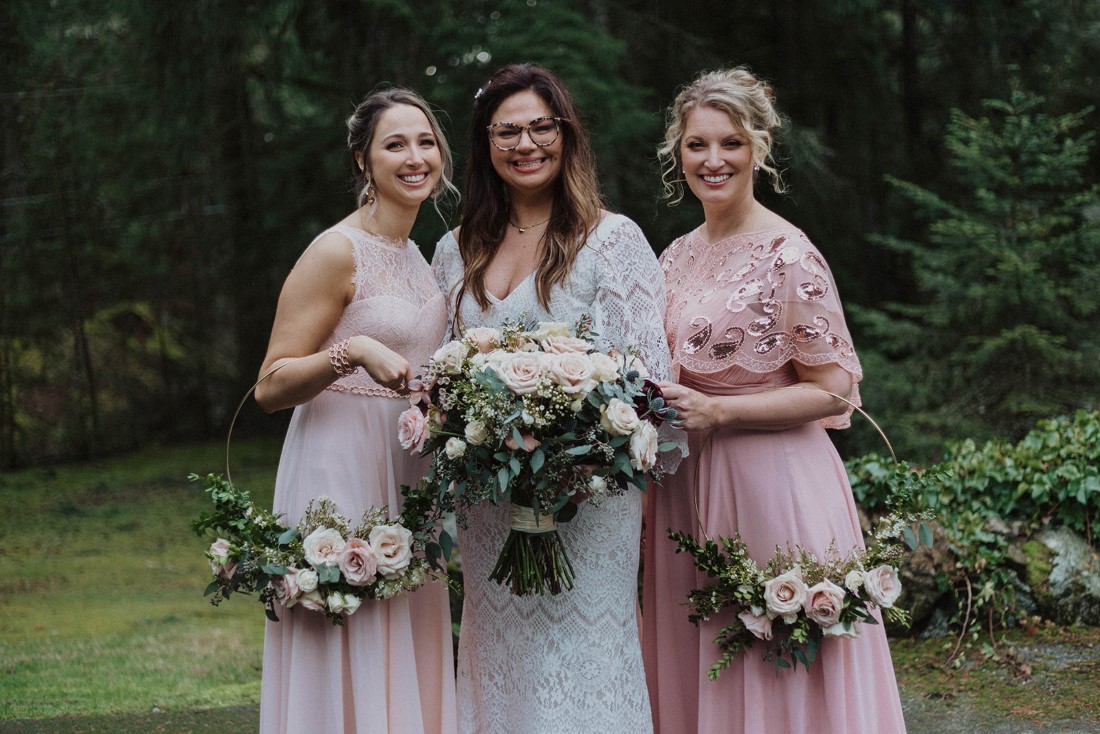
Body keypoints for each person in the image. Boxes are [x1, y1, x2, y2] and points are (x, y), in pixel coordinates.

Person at [641, 67, 908, 734]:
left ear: (758, 147)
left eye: (730, 143)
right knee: (699, 657)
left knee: (771, 659)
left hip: (768, 485)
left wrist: (721, 411)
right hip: (681, 485)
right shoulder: (674, 256)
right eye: (697, 144)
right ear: (678, 152)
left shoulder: (790, 255)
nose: (713, 160)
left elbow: (833, 388)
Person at [432, 63, 671, 734]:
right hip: (489, 503)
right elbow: (439, 377)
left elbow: (649, 381)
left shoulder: (611, 240)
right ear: (485, 143)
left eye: (542, 126)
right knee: (501, 652)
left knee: (584, 654)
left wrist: (575, 454)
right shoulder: (454, 250)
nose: (525, 144)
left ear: (566, 134)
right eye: (506, 131)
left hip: (587, 501)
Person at [254, 87, 458, 734]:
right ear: (363, 160)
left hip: (407, 466)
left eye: (426, 142)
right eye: (395, 144)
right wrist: (353, 351)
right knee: (350, 625)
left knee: (404, 628)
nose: (415, 157)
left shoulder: (422, 255)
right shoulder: (335, 251)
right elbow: (269, 385)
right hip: (339, 461)